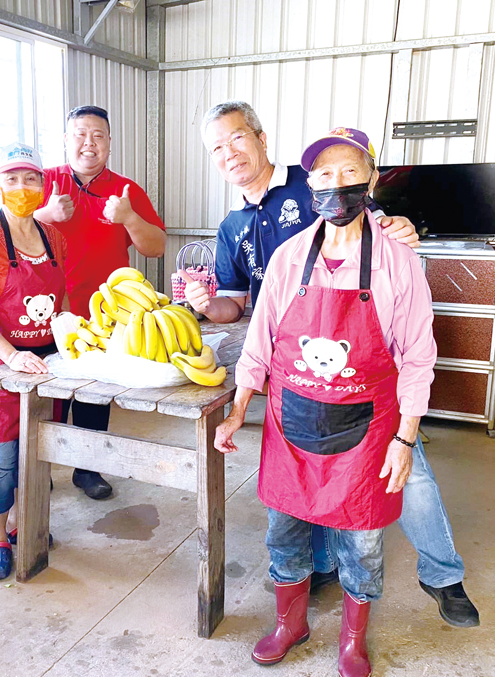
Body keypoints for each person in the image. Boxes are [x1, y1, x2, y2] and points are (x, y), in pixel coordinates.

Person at [182, 101, 479, 628]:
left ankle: (442, 575)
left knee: (406, 479)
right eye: (217, 148)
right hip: (299, 378)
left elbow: (365, 217)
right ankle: (314, 578)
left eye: (237, 139)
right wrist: (208, 306)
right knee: (302, 492)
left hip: (366, 389)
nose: (230, 154)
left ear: (260, 137)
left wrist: (397, 227)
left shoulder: (310, 183)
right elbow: (242, 307)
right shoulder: (234, 227)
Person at [214, 128, 437, 677]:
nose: (335, 185)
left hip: (368, 432)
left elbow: (416, 358)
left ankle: (353, 638)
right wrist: (240, 405)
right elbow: (261, 339)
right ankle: (290, 624)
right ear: (309, 183)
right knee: (283, 532)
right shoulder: (290, 257)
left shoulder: (398, 262)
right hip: (291, 425)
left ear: (371, 179)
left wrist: (406, 438)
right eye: (323, 174)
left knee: (361, 539)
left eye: (348, 172)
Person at [35, 105, 167, 499]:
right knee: (46, 395)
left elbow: (156, 247)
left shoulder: (126, 190)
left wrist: (128, 218)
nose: (88, 143)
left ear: (109, 144)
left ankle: (87, 468)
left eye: (98, 136)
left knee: (94, 395)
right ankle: (38, 469)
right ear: (65, 139)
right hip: (43, 310)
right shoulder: (43, 182)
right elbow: (5, 230)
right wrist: (45, 214)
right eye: (80, 134)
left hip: (103, 314)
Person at [0, 143, 68, 580]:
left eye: (31, 179)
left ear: (43, 185)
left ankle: (28, 526)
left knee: (36, 456)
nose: (23, 187)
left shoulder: (53, 236)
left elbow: (58, 301)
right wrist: (11, 354)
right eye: (13, 179)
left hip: (46, 366)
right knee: (3, 460)